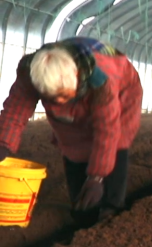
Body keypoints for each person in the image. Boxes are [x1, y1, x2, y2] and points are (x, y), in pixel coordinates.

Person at [0, 37, 143, 225]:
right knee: (72, 140)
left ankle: (112, 206)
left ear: (76, 76)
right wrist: (3, 146)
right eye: (52, 97)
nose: (59, 101)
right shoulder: (32, 74)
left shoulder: (102, 81)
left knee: (117, 140)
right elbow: (15, 112)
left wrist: (96, 177)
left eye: (63, 95)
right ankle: (83, 205)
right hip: (77, 91)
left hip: (123, 91)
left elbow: (107, 130)